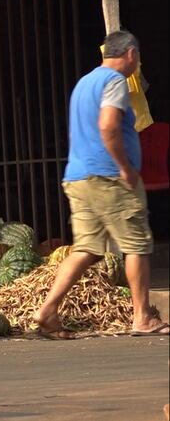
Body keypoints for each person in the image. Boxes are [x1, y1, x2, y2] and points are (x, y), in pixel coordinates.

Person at [32, 31, 169, 338]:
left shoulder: (84, 83)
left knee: (88, 249)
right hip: (109, 177)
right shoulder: (115, 82)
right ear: (131, 54)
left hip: (78, 177)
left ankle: (48, 310)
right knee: (136, 244)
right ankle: (142, 317)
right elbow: (108, 126)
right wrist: (125, 168)